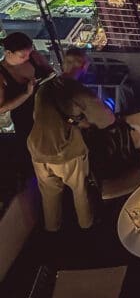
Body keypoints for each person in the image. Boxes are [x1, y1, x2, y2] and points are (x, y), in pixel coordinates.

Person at [27, 47, 114, 232]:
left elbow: (39, 117)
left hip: (37, 150)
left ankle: (52, 229)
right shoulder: (78, 91)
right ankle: (87, 225)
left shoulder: (44, 88)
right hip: (65, 152)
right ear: (83, 66)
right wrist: (82, 122)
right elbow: (107, 120)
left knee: (49, 194)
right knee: (80, 190)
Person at [1, 32, 55, 151]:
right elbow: (2, 108)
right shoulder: (2, 74)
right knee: (36, 150)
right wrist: (26, 93)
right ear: (8, 53)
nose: (27, 57)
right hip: (26, 119)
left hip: (49, 109)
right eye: (22, 56)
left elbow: (51, 73)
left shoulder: (33, 57)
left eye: (29, 53)